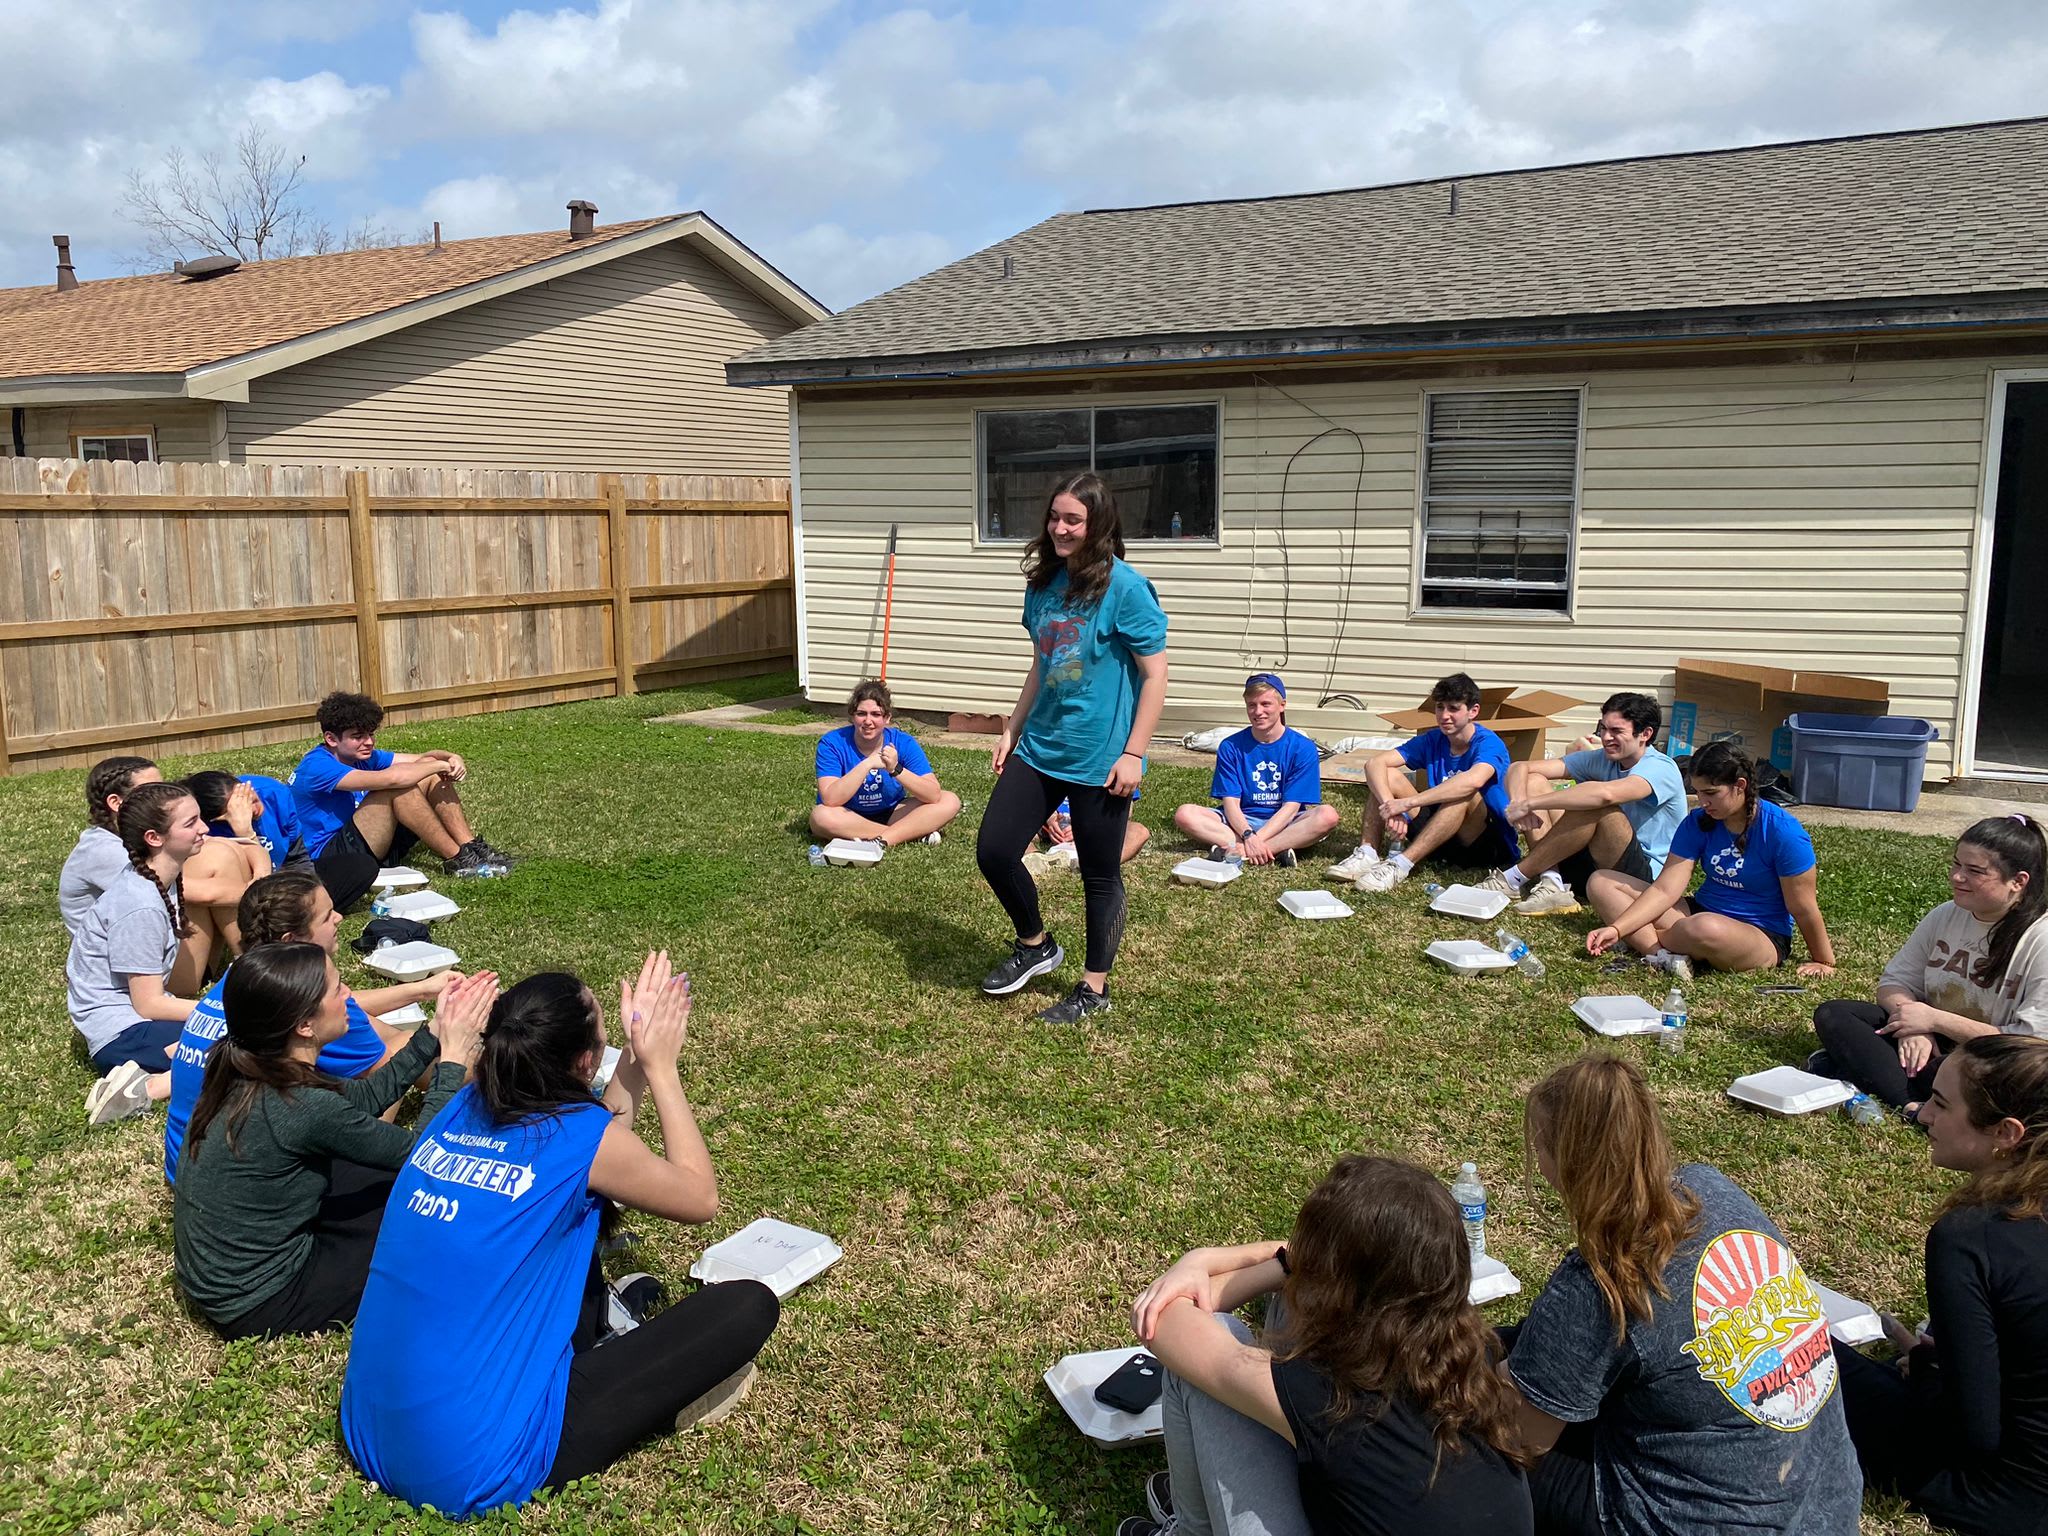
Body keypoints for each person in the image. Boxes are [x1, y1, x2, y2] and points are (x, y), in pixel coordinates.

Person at [341, 952, 779, 1518]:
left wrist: (634, 1058)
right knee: (746, 1306)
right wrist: (662, 1067)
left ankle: (596, 1327)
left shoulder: (463, 1105)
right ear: (585, 1060)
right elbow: (700, 1198)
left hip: (369, 1428)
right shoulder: (582, 1137)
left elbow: (597, 1142)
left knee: (561, 1229)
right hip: (473, 1467)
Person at [1503, 1052, 1860, 1536]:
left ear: (1562, 1160)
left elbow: (1523, 1437)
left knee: (1477, 1452)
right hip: (1824, 1506)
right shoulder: (1712, 1189)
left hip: (1698, 1521)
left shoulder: (1598, 1281)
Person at [1121, 1155, 1533, 1536]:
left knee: (1205, 1356)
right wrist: (1244, 1261)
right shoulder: (1466, 1353)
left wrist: (1205, 1262)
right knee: (1286, 1301)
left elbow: (1164, 1319)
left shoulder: (1331, 1400)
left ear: (1340, 1289)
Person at [171, 943, 490, 1338]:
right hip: (263, 1300)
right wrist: (453, 1061)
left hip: (222, 1278)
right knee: (421, 1212)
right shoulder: (300, 1104)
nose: (349, 995)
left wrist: (433, 1032)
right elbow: (422, 1155)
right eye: (338, 988)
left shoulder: (254, 1066)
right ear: (305, 1025)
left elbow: (365, 1098)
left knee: (375, 1179)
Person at [975, 471, 1169, 1025]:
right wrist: (1013, 727)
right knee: (994, 850)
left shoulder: (1126, 588)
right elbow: (1043, 663)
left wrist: (1134, 753)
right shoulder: (1043, 584)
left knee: (1100, 875)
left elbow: (1155, 676)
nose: (1060, 528)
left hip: (1101, 758)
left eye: (1074, 520)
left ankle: (1093, 988)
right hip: (1041, 746)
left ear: (1098, 524)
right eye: (1055, 517)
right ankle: (1035, 945)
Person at [1834, 1034, 2048, 1534]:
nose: (1924, 1115)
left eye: (1941, 1104)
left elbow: (1974, 1434)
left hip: (2004, 1495)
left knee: (1801, 1350)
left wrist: (1931, 1372)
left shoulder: (1971, 1238)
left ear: (2006, 1133)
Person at [164, 869, 462, 1183]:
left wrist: (420, 990)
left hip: (189, 1164)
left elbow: (349, 1007)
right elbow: (411, 1146)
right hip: (248, 1178)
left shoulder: (241, 981)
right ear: (291, 940)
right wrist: (453, 1058)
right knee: (395, 1049)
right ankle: (479, 1076)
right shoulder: (303, 1020)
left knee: (381, 1033)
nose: (339, 918)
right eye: (326, 917)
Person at [1810, 815, 2046, 1117]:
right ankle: (1912, 1101)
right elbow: (1894, 983)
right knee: (1836, 1014)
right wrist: (1911, 1026)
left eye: (1974, 871)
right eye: (1956, 864)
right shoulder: (1945, 915)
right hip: (1934, 1038)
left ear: (2018, 881)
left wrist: (1934, 1020)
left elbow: (2032, 1044)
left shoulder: (2040, 940)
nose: (1957, 877)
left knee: (1962, 1073)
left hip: (1996, 1056)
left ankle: (1875, 1076)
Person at [1584, 741, 1837, 981]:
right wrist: (1617, 929)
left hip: (1759, 933)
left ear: (1740, 785)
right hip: (1699, 913)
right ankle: (1661, 955)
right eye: (1697, 792)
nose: (1703, 802)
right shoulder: (1697, 822)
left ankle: (1647, 941)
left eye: (1711, 793)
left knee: (1705, 928)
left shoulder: (1783, 832)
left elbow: (1803, 907)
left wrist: (1823, 960)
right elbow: (1665, 889)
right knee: (1601, 882)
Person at [70, 781, 225, 1126]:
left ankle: (174, 1062)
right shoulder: (139, 904)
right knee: (251, 1042)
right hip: (123, 1036)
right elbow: (149, 1004)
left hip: (139, 1025)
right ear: (154, 838)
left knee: (250, 1033)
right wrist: (219, 1012)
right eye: (191, 823)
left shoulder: (159, 881)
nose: (204, 828)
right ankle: (145, 1087)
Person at [289, 690, 510, 911]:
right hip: (329, 859)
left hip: (361, 840)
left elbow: (425, 759)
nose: (369, 742)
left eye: (371, 734)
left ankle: (471, 846)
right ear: (331, 739)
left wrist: (452, 757)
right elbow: (394, 779)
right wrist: (439, 765)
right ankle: (458, 859)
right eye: (358, 737)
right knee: (397, 789)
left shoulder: (361, 756)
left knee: (428, 775)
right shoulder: (317, 766)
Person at [1479, 693, 1687, 918]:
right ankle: (1552, 882)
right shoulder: (1602, 758)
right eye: (1603, 728)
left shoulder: (1661, 768)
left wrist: (1531, 804)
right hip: (1593, 863)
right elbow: (1520, 767)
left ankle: (1513, 878)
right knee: (1535, 781)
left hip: (1641, 880)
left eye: (1616, 731)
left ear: (1645, 734)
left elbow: (1605, 796)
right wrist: (1519, 801)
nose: (1606, 737)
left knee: (1597, 806)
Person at [1327, 673, 1519, 894]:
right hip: (1439, 835)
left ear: (1473, 711)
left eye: (1453, 708)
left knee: (1463, 791)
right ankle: (1368, 852)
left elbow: (1473, 780)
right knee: (1387, 776)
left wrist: (1408, 803)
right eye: (1440, 707)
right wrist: (1390, 806)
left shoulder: (1488, 743)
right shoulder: (1433, 739)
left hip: (1485, 844)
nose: (1444, 716)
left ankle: (1400, 864)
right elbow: (1375, 764)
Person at [1172, 673, 1340, 870]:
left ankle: (1239, 850)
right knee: (1185, 814)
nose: (1258, 711)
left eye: (1265, 704)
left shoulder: (1302, 748)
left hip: (1285, 821)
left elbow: (1291, 808)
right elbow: (1231, 803)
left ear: (1282, 705)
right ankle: (1278, 848)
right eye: (1252, 705)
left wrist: (1256, 839)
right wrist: (1248, 834)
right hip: (1240, 821)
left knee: (1327, 816)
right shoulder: (1230, 746)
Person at [810, 679, 962, 852]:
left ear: (887, 718)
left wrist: (895, 769)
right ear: (852, 716)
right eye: (861, 714)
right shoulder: (832, 743)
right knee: (821, 816)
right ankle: (908, 834)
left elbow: (933, 794)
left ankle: (879, 840)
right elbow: (830, 799)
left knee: (949, 801)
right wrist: (867, 764)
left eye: (876, 714)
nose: (868, 721)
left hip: (893, 812)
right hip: (847, 814)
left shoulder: (903, 742)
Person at [172, 773, 275, 983]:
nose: (204, 828)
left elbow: (250, 848)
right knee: (220, 855)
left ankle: (252, 957)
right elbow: (207, 895)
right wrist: (260, 890)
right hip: (167, 976)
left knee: (225, 850)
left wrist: (261, 875)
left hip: (198, 958)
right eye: (190, 823)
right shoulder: (114, 855)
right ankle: (255, 961)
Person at [59, 755, 161, 940]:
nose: (164, 798)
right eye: (150, 792)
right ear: (116, 802)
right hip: (108, 953)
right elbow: (173, 891)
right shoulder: (103, 850)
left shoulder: (133, 838)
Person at [1030, 795, 1150, 873]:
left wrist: (1087, 825)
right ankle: (1034, 858)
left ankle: (1099, 864)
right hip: (1049, 823)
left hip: (1095, 825)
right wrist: (1049, 817)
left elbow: (1124, 811)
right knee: (1020, 827)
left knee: (1139, 831)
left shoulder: (1113, 765)